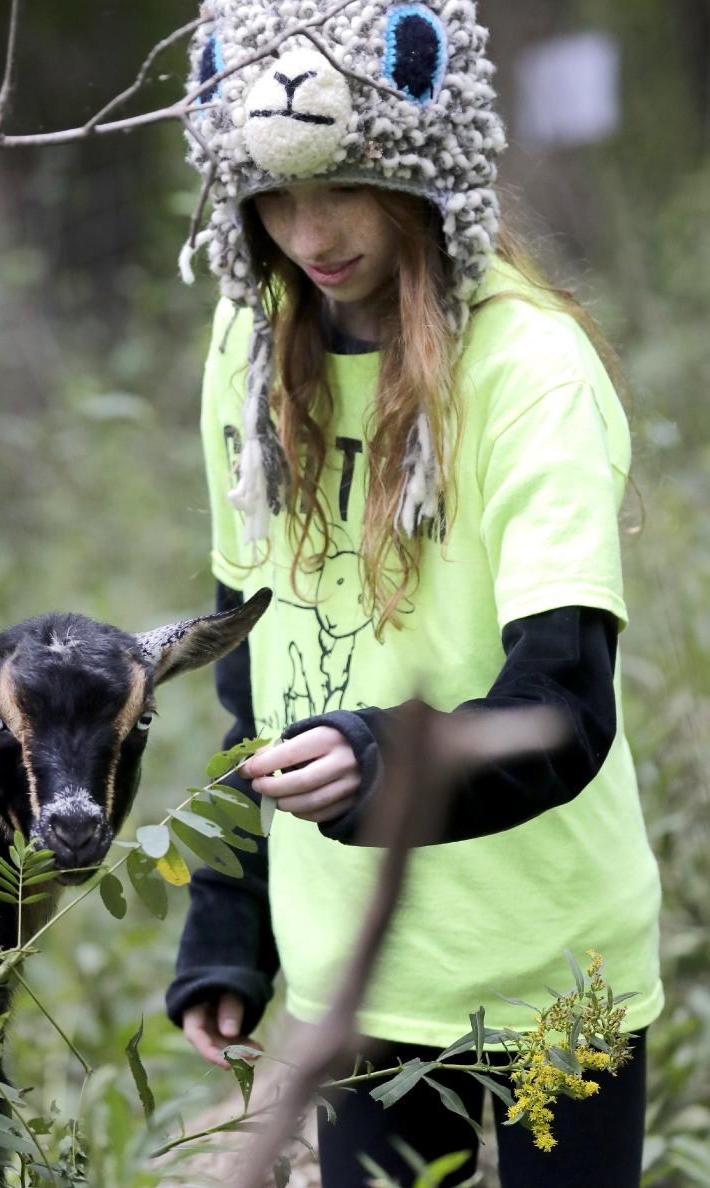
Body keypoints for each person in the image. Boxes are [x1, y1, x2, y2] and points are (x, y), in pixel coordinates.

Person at [165, 3, 663, 1185]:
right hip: (357, 977)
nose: (312, 232)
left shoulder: (529, 369)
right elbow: (255, 675)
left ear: (423, 169)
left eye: (346, 186)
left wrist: (382, 759)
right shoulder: (247, 353)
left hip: (559, 975)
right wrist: (230, 928)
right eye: (275, 200)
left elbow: (566, 700)